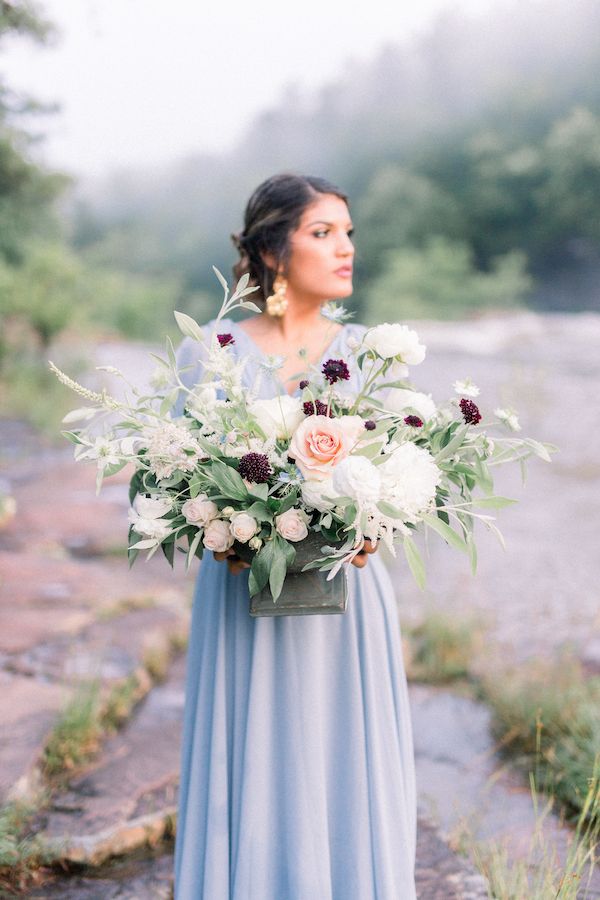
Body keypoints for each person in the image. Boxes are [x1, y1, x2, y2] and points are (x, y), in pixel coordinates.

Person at [174, 174, 417, 899]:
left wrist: (379, 521)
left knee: (343, 749)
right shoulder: (213, 352)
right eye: (323, 232)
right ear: (275, 251)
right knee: (255, 750)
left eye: (348, 232)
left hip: (347, 597)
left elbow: (403, 469)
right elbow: (181, 478)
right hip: (242, 597)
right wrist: (221, 526)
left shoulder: (372, 353)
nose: (345, 248)